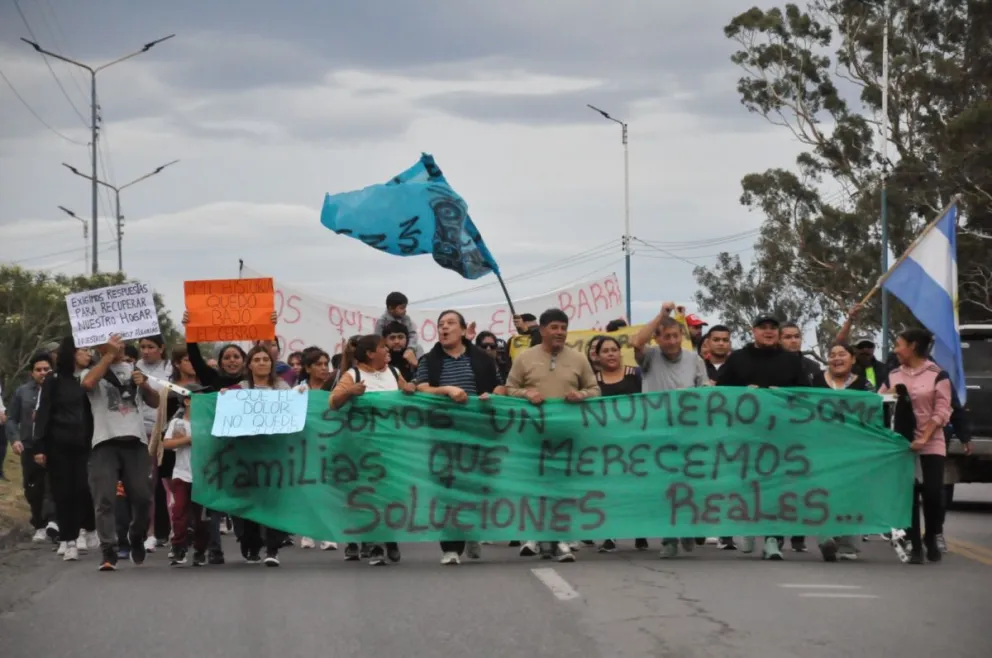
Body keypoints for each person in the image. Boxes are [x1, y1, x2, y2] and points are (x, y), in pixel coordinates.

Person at [506, 308, 600, 562]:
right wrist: (527, 394)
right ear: (542, 330)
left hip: (568, 438)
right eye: (554, 327)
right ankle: (536, 536)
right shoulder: (525, 358)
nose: (559, 332)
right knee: (536, 488)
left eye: (563, 327)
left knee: (563, 489)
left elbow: (595, 389)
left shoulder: (579, 359)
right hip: (532, 438)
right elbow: (509, 389)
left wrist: (581, 395)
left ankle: (561, 538)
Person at [717, 315, 809, 560]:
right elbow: (721, 393)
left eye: (772, 328)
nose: (768, 332)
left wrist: (787, 395)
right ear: (753, 331)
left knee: (775, 487)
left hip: (780, 436)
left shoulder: (791, 361)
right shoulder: (737, 359)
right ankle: (748, 528)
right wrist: (742, 394)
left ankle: (772, 539)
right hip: (745, 435)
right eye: (762, 328)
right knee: (748, 486)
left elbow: (805, 396)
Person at [417, 310, 502, 565]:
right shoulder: (429, 360)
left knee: (474, 487)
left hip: (477, 433)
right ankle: (451, 547)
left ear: (464, 331)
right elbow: (422, 388)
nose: (444, 328)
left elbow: (500, 385)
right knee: (447, 490)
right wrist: (446, 390)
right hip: (443, 435)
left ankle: (471, 529)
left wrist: (492, 396)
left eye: (451, 324)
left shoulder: (484, 359)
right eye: (441, 325)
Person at [331, 334, 416, 565]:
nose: (388, 351)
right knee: (371, 495)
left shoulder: (395, 373)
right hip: (364, 449)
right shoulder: (353, 375)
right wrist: (350, 392)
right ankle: (376, 544)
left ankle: (389, 539)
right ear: (370, 353)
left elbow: (408, 393)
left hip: (392, 447)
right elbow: (333, 400)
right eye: (383, 348)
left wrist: (410, 388)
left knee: (391, 495)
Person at [631, 308, 709, 558]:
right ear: (658, 338)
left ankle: (686, 527)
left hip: (688, 432)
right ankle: (668, 538)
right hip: (657, 432)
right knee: (664, 486)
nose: (673, 341)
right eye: (667, 336)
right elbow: (636, 341)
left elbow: (704, 390)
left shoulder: (694, 360)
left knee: (688, 484)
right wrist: (660, 314)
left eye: (676, 335)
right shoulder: (650, 357)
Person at [81, 334, 160, 571]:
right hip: (105, 443)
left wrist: (144, 383)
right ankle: (108, 550)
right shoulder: (91, 372)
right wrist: (108, 356)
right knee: (104, 499)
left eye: (121, 343)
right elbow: (87, 385)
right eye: (113, 342)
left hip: (135, 443)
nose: (119, 346)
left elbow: (155, 402)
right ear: (101, 346)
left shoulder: (135, 368)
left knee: (143, 498)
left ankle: (136, 536)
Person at [878, 328, 953, 565]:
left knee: (932, 494)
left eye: (899, 344)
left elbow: (942, 411)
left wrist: (925, 437)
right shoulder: (892, 375)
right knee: (907, 495)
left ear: (913, 346)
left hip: (931, 443)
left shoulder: (938, 375)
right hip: (901, 445)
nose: (895, 349)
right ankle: (915, 545)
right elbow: (876, 404)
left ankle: (931, 535)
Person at [33, 338, 99, 561]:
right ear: (71, 353)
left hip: (84, 444)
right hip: (58, 444)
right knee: (63, 493)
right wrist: (39, 446)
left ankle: (89, 527)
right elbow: (43, 413)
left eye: (89, 350)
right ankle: (68, 539)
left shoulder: (90, 379)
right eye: (83, 350)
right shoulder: (54, 381)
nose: (87, 354)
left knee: (82, 488)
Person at [812, 342, 873, 562]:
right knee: (824, 491)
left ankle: (848, 544)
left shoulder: (865, 386)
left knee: (851, 493)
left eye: (842, 354)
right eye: (832, 355)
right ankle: (826, 538)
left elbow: (874, 415)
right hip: (822, 448)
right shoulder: (815, 381)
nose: (837, 358)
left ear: (853, 359)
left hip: (853, 450)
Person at [237, 345, 293, 567]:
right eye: (257, 359)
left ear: (271, 364)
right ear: (249, 364)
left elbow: (293, 414)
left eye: (265, 359)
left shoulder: (282, 388)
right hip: (248, 454)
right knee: (251, 500)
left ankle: (273, 548)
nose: (262, 363)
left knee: (273, 501)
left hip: (276, 452)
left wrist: (298, 397)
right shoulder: (239, 389)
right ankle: (250, 544)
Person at [591, 336, 641, 553]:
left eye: (614, 350)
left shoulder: (636, 374)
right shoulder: (593, 381)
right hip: (605, 444)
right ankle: (610, 534)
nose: (611, 354)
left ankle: (640, 532)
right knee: (609, 490)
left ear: (621, 353)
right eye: (605, 351)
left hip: (635, 443)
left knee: (635, 489)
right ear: (597, 356)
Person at [5, 353, 57, 543]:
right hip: (29, 445)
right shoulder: (22, 392)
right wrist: (15, 439)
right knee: (33, 486)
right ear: (32, 372)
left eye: (46, 369)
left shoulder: (58, 390)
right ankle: (39, 525)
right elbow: (11, 418)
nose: (43, 373)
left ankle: (54, 521)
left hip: (53, 445)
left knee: (53, 485)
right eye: (38, 369)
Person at [163, 384, 210, 567]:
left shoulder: (208, 424)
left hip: (203, 476)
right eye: (196, 398)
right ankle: (178, 547)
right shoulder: (178, 423)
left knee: (201, 518)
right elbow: (167, 444)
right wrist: (188, 440)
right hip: (182, 473)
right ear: (187, 401)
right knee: (179, 512)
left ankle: (199, 550)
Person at [297, 349, 338, 552]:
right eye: (319, 364)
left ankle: (328, 533)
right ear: (307, 368)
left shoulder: (334, 389)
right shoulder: (298, 390)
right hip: (305, 445)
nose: (324, 368)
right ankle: (308, 531)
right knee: (308, 490)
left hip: (330, 444)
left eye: (326, 364)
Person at [136, 335, 173, 554]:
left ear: (161, 348)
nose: (146, 351)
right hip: (142, 431)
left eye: (151, 346)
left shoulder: (170, 369)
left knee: (167, 484)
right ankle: (149, 533)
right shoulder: (135, 367)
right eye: (142, 347)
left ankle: (170, 530)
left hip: (166, 430)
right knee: (147, 484)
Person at [374, 291, 422, 371]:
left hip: (405, 349)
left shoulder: (406, 319)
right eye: (402, 308)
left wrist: (410, 348)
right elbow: (378, 340)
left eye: (405, 307)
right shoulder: (381, 322)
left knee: (418, 348)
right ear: (391, 308)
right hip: (389, 350)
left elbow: (413, 334)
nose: (405, 310)